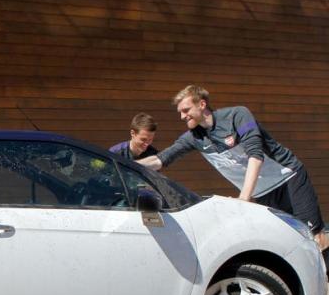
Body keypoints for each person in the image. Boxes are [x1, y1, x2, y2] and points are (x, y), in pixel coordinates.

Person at [137, 85, 328, 253]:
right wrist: (123, 163)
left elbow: (256, 154)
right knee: (288, 238)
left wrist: (244, 198)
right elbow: (162, 159)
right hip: (263, 191)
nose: (182, 116)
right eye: (180, 112)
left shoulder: (238, 115)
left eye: (186, 110)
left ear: (202, 104)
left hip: (289, 177)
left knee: (314, 236)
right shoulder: (193, 137)